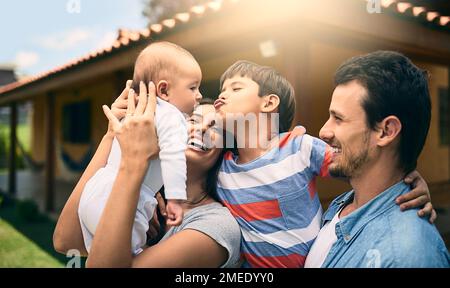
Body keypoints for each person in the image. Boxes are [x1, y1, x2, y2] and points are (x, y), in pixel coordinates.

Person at [213, 60, 435, 268]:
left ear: (269, 102)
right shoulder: (221, 168)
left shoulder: (298, 148)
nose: (222, 95)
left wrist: (410, 180)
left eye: (236, 88)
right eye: (222, 89)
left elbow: (360, 165)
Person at [53, 84, 242, 267]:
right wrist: (112, 134)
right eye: (192, 120)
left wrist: (134, 160)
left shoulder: (217, 226)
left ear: (223, 152)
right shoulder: (146, 199)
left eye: (216, 129)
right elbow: (66, 241)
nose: (200, 129)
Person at [305, 51, 450, 268]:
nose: (324, 131)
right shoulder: (344, 207)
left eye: (338, 118)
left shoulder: (408, 255)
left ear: (386, 131)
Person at [77, 41, 202, 255]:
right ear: (164, 89)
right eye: (193, 87)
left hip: (94, 189)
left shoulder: (135, 111)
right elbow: (173, 158)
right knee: (126, 256)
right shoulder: (173, 117)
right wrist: (175, 198)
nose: (198, 95)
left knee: (96, 252)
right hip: (128, 199)